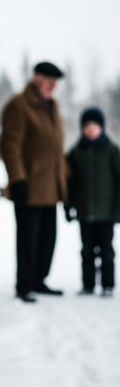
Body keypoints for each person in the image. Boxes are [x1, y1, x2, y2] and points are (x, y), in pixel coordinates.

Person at [0, 61, 67, 303]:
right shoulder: (19, 105)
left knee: (48, 239)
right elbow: (10, 147)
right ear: (36, 77)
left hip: (50, 188)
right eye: (48, 78)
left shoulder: (53, 106)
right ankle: (25, 284)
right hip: (28, 187)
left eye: (55, 80)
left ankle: (39, 280)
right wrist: (17, 179)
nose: (52, 84)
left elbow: (57, 150)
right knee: (28, 238)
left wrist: (64, 186)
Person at [65, 107, 120, 297]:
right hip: (84, 211)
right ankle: (88, 284)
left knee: (106, 250)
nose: (90, 130)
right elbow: (69, 182)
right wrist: (68, 205)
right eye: (87, 126)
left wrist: (117, 209)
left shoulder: (112, 151)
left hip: (106, 212)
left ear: (102, 128)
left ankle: (107, 284)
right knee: (87, 250)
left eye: (94, 126)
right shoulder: (76, 152)